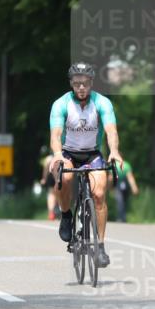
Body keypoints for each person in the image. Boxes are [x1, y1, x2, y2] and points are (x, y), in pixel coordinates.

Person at [48, 62, 123, 268]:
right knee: (64, 178)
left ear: (91, 83)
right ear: (71, 83)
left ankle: (100, 246)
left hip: (92, 154)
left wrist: (114, 151)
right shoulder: (61, 104)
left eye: (85, 83)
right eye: (77, 83)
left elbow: (111, 130)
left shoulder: (102, 103)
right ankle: (66, 215)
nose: (81, 87)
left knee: (99, 194)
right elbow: (55, 134)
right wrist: (57, 154)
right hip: (67, 152)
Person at [114, 158, 140, 222]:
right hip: (126, 184)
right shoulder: (126, 164)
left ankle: (121, 217)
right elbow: (130, 177)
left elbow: (110, 178)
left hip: (118, 184)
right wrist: (134, 187)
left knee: (120, 201)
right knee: (124, 201)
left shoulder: (113, 165)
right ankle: (123, 217)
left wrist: (108, 187)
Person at [38, 146, 59, 220]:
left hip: (51, 177)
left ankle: (51, 212)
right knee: (58, 193)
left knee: (51, 194)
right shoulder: (62, 157)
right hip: (59, 176)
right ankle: (59, 210)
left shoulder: (48, 159)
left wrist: (44, 178)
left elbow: (46, 170)